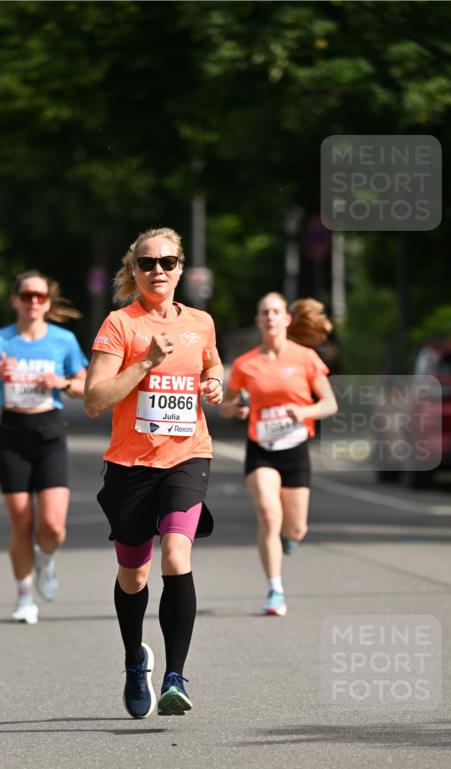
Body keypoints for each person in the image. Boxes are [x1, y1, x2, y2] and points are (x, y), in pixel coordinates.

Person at [84, 227, 223, 719]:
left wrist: (213, 383)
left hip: (188, 455)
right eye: (147, 263)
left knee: (176, 551)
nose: (157, 270)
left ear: (181, 267)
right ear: (135, 271)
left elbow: (213, 365)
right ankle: (134, 660)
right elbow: (94, 401)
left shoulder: (201, 322)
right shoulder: (120, 325)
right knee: (133, 574)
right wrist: (145, 362)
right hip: (130, 465)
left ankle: (174, 677)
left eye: (167, 261)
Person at [0, 270, 88, 624]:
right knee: (21, 523)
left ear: (48, 302)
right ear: (15, 300)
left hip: (50, 433)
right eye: (27, 296)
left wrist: (62, 382)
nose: (33, 301)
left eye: (40, 296)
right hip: (12, 435)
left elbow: (87, 388)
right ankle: (24, 597)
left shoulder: (63, 341)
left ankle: (46, 560)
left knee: (53, 526)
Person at [221, 292, 337, 616]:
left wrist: (305, 412)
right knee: (269, 515)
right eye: (264, 312)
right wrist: (237, 409)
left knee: (296, 528)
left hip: (295, 447)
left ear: (286, 319)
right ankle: (275, 589)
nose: (270, 317)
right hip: (262, 449)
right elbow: (227, 406)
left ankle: (290, 538)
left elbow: (330, 404)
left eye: (275, 311)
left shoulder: (306, 358)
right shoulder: (246, 364)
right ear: (258, 321)